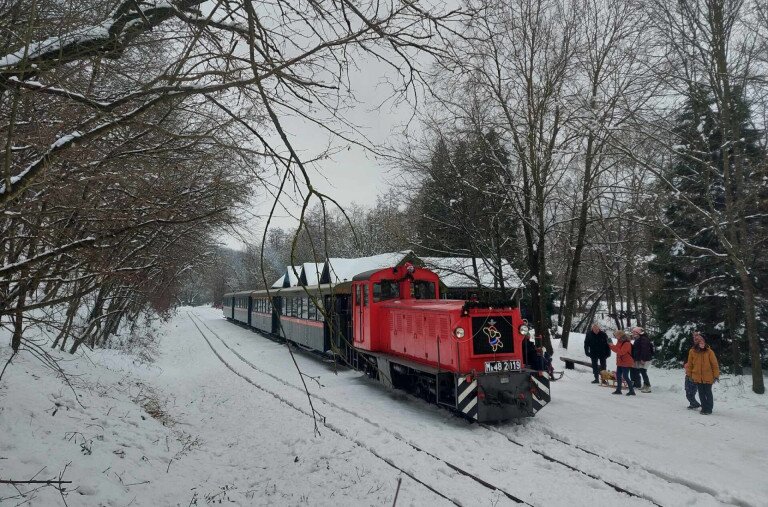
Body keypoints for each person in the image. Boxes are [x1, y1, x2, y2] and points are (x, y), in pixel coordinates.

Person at [686, 332, 719, 415]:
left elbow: (715, 365)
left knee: (708, 392)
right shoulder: (692, 351)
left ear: (704, 342)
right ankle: (704, 408)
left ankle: (709, 408)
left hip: (708, 376)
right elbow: (690, 364)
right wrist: (689, 374)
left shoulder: (709, 352)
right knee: (701, 393)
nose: (700, 343)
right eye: (698, 341)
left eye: (701, 341)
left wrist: (716, 375)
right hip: (697, 376)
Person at [608, 330, 636, 396]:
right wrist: (611, 345)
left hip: (626, 362)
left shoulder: (627, 343)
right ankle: (618, 390)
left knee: (625, 376)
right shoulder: (619, 341)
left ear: (620, 335)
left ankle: (632, 391)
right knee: (618, 376)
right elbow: (617, 349)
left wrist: (612, 346)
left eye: (616, 335)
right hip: (620, 361)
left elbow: (621, 352)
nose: (615, 336)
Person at [631, 327, 653, 392]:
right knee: (642, 371)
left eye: (634, 332)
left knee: (643, 372)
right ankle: (645, 385)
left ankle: (648, 387)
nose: (633, 333)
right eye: (633, 332)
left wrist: (643, 359)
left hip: (644, 359)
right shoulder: (639, 339)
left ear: (638, 333)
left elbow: (644, 350)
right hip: (641, 358)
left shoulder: (643, 339)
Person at [683, 333, 701, 409]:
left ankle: (695, 404)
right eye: (694, 338)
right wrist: (686, 364)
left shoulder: (701, 350)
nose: (695, 340)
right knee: (687, 390)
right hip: (688, 372)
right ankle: (693, 403)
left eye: (697, 339)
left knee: (691, 392)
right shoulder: (691, 349)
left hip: (695, 374)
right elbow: (688, 359)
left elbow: (698, 362)